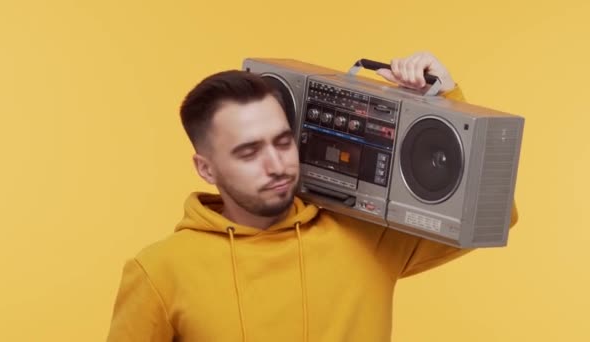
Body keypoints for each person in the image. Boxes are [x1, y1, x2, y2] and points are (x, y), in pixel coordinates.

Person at [106, 51, 518, 341]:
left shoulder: (366, 237)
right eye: (249, 152)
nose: (276, 164)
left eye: (283, 141)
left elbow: (491, 211)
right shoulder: (159, 272)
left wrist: (445, 97)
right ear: (205, 168)